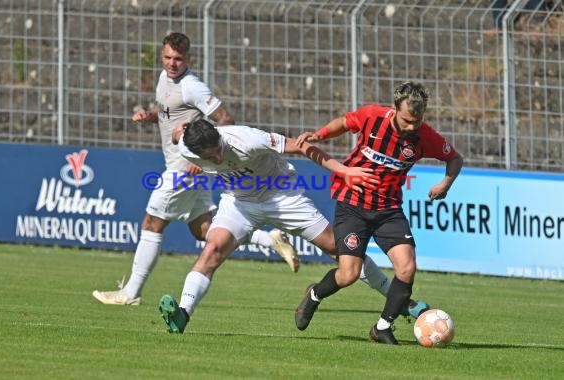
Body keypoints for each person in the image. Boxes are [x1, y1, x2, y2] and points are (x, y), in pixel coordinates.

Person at [157, 120, 428, 333]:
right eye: (209, 155)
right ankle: (183, 314)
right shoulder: (187, 147)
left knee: (340, 249)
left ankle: (400, 302)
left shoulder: (248, 139)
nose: (217, 157)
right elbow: (176, 135)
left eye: (218, 149)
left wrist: (344, 170)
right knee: (212, 249)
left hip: (282, 196)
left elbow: (302, 147)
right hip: (239, 202)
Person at [92, 32, 299, 306]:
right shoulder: (165, 79)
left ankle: (131, 292)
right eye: (167, 57)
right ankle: (269, 238)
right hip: (183, 166)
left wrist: (204, 157)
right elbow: (169, 112)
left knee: (152, 223)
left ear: (188, 58)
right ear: (161, 56)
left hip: (184, 168)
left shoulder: (192, 86)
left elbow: (225, 119)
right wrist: (150, 116)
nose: (172, 63)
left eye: (178, 59)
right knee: (203, 229)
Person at [293, 81, 464, 344]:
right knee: (349, 274)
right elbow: (345, 122)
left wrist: (445, 184)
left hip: (388, 209)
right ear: (395, 108)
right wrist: (320, 134)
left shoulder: (425, 136)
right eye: (406, 120)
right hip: (353, 205)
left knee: (407, 268)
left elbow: (455, 158)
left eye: (416, 122)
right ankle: (314, 295)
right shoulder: (373, 117)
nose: (411, 127)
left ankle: (382, 327)